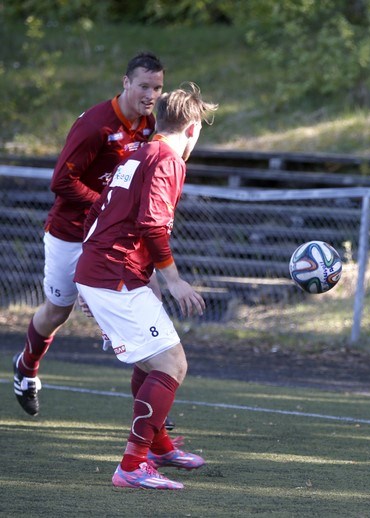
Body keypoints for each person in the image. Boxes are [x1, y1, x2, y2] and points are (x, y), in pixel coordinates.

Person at [11, 52, 177, 429]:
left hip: (112, 237)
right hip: (70, 232)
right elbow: (61, 182)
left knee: (140, 304)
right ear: (125, 83)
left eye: (158, 87)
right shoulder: (95, 125)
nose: (151, 94)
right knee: (58, 309)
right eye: (144, 86)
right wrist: (106, 205)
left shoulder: (150, 126)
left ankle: (156, 413)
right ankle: (26, 366)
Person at [74, 82, 217, 489]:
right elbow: (153, 224)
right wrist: (172, 280)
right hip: (112, 274)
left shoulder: (136, 152)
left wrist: (93, 277)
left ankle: (159, 447)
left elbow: (100, 214)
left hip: (107, 270)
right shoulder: (168, 159)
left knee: (150, 361)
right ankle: (133, 466)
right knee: (172, 364)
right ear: (191, 129)